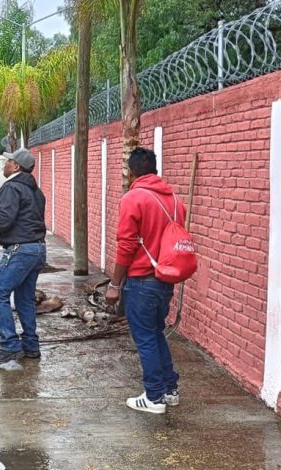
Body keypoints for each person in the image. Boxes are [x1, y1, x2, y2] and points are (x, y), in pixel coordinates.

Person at [105, 147, 186, 414]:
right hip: (165, 278)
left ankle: (154, 397)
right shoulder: (175, 200)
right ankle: (169, 388)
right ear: (154, 169)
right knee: (156, 332)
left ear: (131, 172)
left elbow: (126, 245)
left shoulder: (133, 198)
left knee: (145, 338)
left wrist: (115, 284)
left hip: (142, 279)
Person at [0, 148, 47, 365]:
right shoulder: (36, 191)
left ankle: (10, 346)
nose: (4, 165)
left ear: (16, 167)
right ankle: (31, 346)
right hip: (37, 249)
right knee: (24, 298)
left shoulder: (11, 187)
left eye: (8, 161)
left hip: (20, 250)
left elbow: (6, 219)